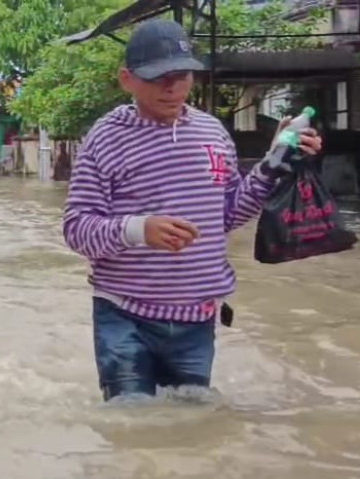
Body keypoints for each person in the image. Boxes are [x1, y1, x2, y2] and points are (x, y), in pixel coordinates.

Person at [63, 19, 324, 401]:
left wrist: (273, 162)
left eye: (182, 76)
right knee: (130, 425)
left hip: (196, 321)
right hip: (124, 317)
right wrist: (138, 230)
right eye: (158, 77)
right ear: (127, 79)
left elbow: (227, 216)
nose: (172, 88)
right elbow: (76, 229)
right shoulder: (105, 138)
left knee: (190, 433)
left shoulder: (212, 133)